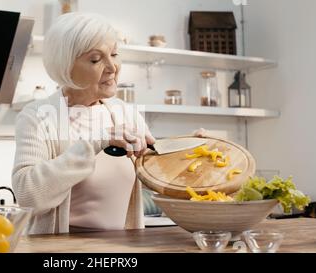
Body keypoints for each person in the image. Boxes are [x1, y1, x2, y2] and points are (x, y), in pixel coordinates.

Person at [12, 12, 203, 234]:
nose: (112, 67)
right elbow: (27, 197)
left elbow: (157, 173)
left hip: (123, 246)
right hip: (62, 248)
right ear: (66, 67)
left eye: (114, 54)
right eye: (96, 59)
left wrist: (193, 152)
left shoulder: (126, 113)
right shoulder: (38, 116)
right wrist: (94, 143)